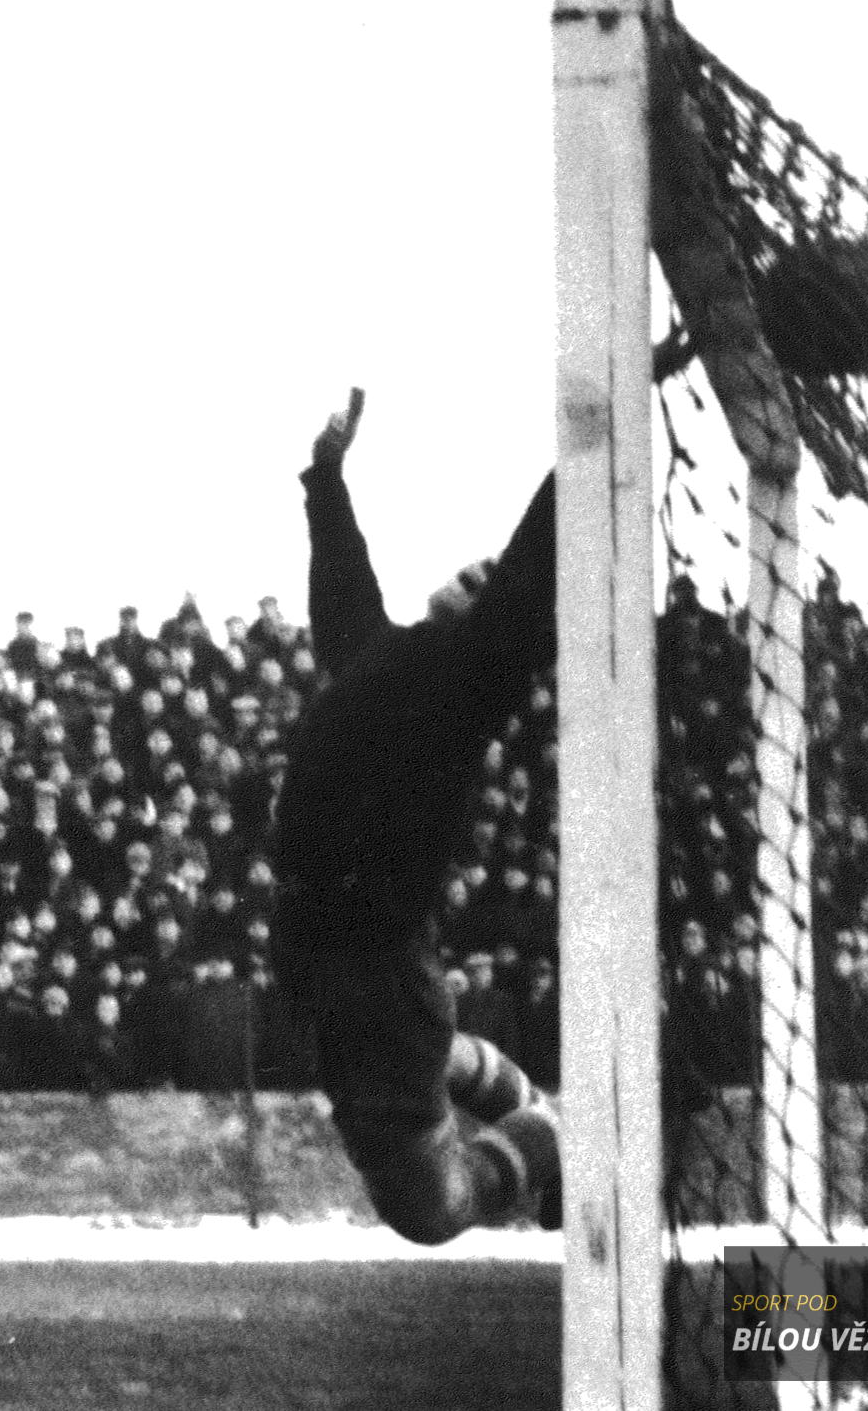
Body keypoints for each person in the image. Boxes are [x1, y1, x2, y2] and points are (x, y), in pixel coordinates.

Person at [270, 389, 560, 1244]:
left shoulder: (470, 677)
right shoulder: (378, 652)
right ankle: (523, 1109)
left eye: (488, 579)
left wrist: (589, 448)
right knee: (414, 1134)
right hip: (329, 952)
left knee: (429, 1211)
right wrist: (326, 480)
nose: (475, 572)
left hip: (369, 963)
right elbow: (342, 581)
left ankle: (556, 1136)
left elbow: (532, 565)